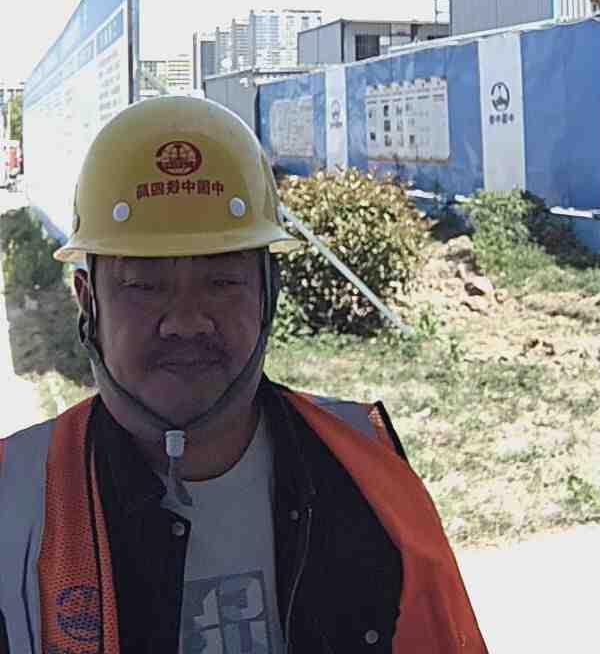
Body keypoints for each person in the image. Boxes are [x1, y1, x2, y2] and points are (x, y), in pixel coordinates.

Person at [0, 96, 488, 653]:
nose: (185, 322)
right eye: (143, 284)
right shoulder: (15, 500)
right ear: (88, 301)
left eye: (223, 280)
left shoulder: (370, 478)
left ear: (267, 292)